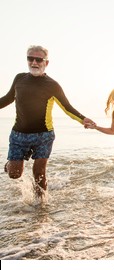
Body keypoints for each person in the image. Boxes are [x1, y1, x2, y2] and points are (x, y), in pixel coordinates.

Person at [0, 45, 94, 198]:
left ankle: (41, 206)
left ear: (46, 63)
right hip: (19, 134)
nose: (34, 62)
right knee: (14, 174)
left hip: (44, 135)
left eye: (39, 59)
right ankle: (11, 163)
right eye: (30, 58)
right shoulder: (19, 79)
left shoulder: (52, 85)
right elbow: (7, 98)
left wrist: (83, 119)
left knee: (39, 173)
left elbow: (67, 107)